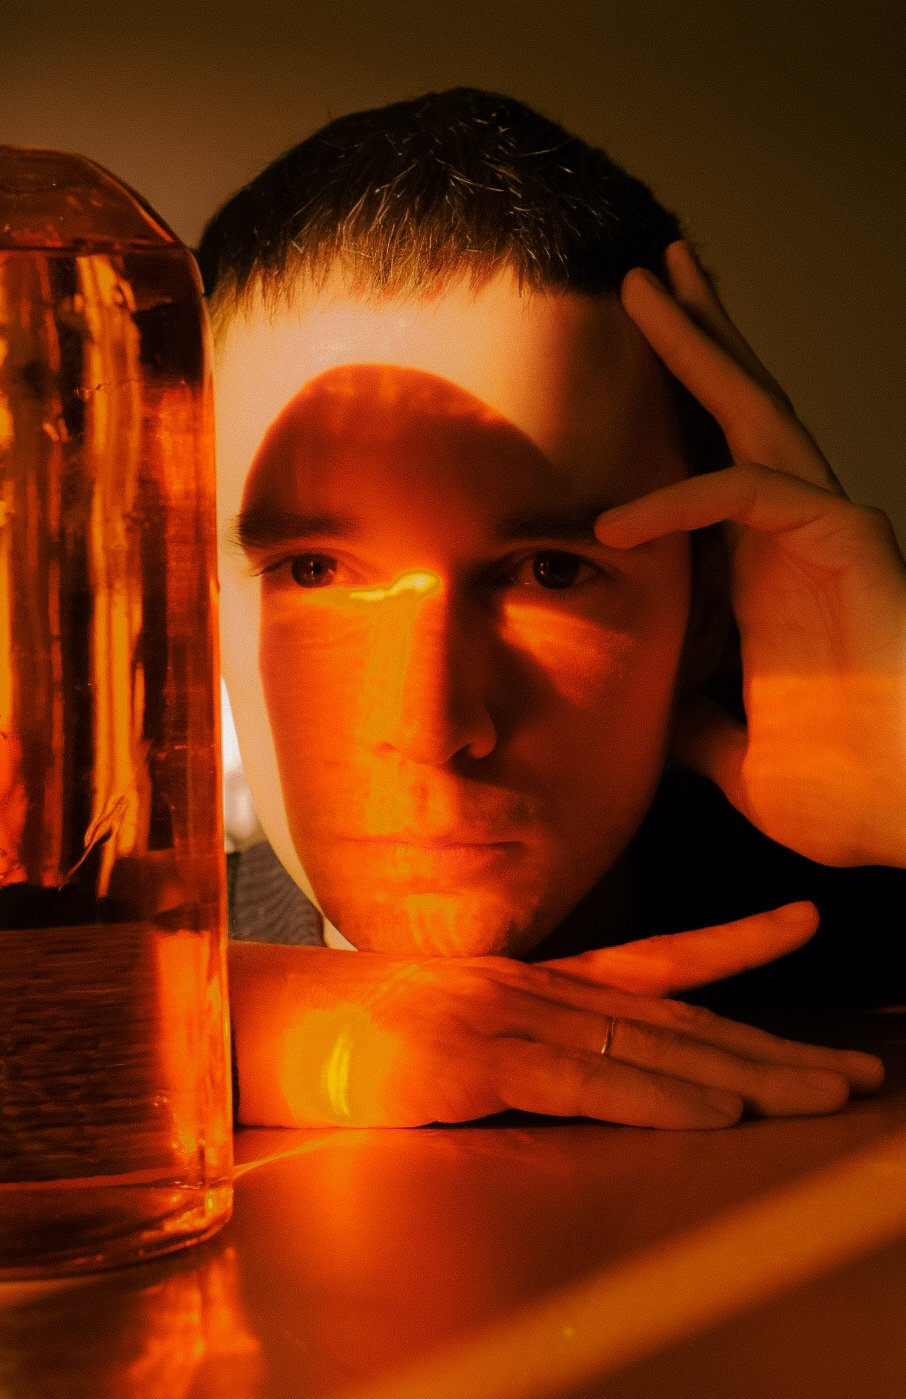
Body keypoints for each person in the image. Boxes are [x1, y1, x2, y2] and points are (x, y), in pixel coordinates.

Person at [196, 88, 904, 1129]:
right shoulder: (84, 989)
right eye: (311, 571)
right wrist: (194, 1035)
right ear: (197, 605)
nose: (431, 725)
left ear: (706, 610)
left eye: (548, 572)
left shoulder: (872, 935)